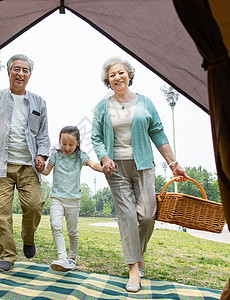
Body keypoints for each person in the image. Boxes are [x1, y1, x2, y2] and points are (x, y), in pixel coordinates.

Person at [91, 57, 187, 292]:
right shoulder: (103, 107)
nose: (117, 77)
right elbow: (96, 137)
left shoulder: (146, 103)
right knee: (126, 216)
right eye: (112, 75)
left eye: (121, 72)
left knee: (146, 215)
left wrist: (173, 162)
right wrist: (104, 158)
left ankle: (137, 253)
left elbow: (158, 133)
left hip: (144, 164)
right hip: (115, 167)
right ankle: (134, 269)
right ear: (108, 80)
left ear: (129, 75)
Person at [0, 54, 50, 272]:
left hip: (28, 165)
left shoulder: (38, 102)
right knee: (2, 213)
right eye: (16, 69)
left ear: (30, 75)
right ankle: (7, 255)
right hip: (1, 164)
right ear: (9, 72)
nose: (20, 73)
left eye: (25, 70)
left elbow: (43, 135)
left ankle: (28, 237)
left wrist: (42, 156)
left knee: (35, 205)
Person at [40, 126, 103, 272]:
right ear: (59, 142)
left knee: (72, 231)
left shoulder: (80, 156)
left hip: (73, 199)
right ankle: (62, 257)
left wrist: (104, 168)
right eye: (64, 144)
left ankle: (72, 259)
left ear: (78, 143)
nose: (67, 147)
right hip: (57, 197)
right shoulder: (55, 155)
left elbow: (92, 164)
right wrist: (40, 167)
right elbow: (47, 171)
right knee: (55, 225)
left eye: (71, 144)